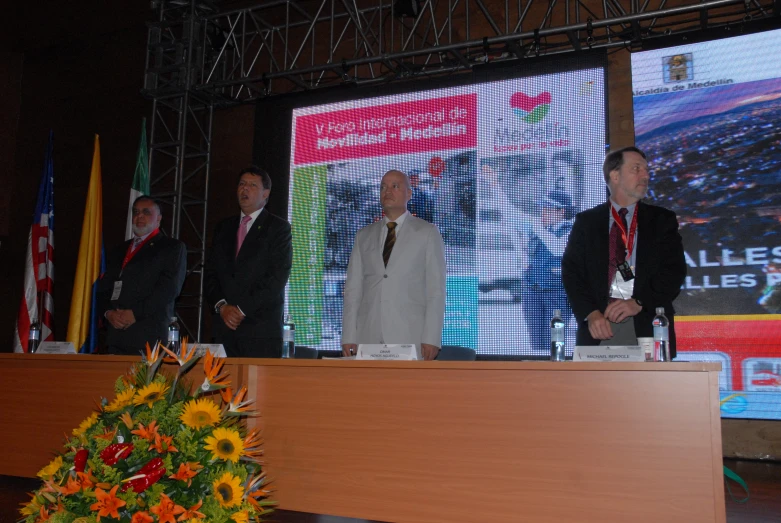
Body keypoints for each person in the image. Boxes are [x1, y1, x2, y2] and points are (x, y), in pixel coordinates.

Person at [561, 146, 686, 357]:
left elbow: (674, 272)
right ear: (615, 175)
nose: (645, 175)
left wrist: (638, 302)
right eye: (637, 168)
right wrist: (590, 314)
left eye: (646, 170)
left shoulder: (662, 220)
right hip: (599, 328)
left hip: (647, 324)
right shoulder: (587, 222)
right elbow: (572, 273)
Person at [341, 169, 447, 361]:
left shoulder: (427, 232)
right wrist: (349, 335)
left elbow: (436, 291)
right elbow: (353, 290)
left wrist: (432, 337)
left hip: (410, 337)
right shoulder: (363, 236)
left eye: (395, 186)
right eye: (383, 187)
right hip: (368, 338)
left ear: (409, 193)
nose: (387, 191)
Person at [204, 166, 292, 358]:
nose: (245, 189)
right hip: (224, 329)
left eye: (252, 185)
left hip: (260, 331)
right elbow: (211, 274)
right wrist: (222, 307)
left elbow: (276, 277)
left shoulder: (278, 228)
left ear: (265, 193)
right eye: (242, 184)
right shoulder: (223, 228)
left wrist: (241, 309)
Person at [97, 196, 187, 355]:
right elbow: (104, 288)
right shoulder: (119, 250)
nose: (140, 216)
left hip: (149, 336)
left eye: (146, 212)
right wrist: (108, 313)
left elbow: (168, 290)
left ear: (158, 218)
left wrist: (134, 313)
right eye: (136, 212)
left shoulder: (171, 248)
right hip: (116, 336)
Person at [523, 191, 574, 353]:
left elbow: (558, 248)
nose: (543, 212)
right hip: (533, 292)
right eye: (542, 208)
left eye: (549, 208)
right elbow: (509, 213)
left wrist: (537, 227)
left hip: (557, 295)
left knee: (554, 344)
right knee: (536, 345)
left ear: (562, 211)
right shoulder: (539, 230)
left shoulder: (572, 230)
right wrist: (495, 187)